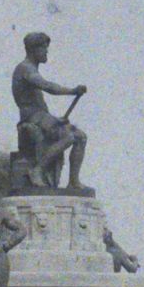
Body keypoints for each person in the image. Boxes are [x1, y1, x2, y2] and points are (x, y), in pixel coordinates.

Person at [12, 31, 88, 190]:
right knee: (69, 136)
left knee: (81, 136)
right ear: (34, 49)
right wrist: (72, 91)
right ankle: (37, 170)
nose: (47, 52)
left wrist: (55, 120)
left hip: (42, 116)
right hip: (32, 117)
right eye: (44, 48)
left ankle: (73, 181)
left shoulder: (31, 68)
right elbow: (48, 87)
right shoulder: (25, 69)